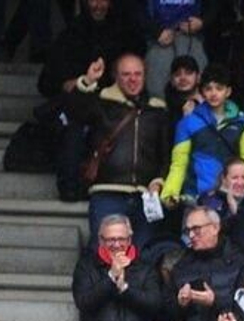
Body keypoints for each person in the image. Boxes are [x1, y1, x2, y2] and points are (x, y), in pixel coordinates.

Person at [59, 53, 172, 243]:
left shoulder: (157, 109)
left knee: (144, 259)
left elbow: (166, 152)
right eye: (126, 74)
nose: (133, 79)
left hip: (146, 196)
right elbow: (75, 112)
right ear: (116, 77)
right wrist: (88, 81)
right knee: (105, 256)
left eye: (138, 74)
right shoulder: (101, 103)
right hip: (107, 193)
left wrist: (160, 180)